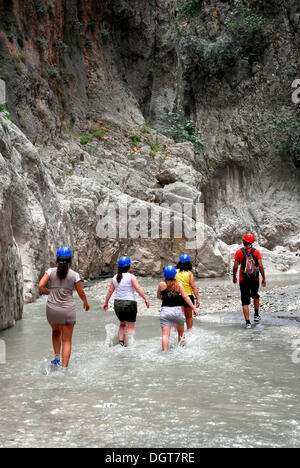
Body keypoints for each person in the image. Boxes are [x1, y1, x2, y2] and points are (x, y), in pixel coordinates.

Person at [38, 247, 90, 370]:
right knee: (67, 340)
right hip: (67, 311)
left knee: (56, 332)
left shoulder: (50, 271)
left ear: (57, 259)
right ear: (70, 261)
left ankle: (56, 359)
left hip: (52, 310)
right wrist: (86, 303)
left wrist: (48, 291)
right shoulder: (75, 275)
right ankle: (64, 368)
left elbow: (40, 285)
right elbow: (81, 293)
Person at [103, 256, 150, 346]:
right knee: (130, 327)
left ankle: (121, 342)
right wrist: (145, 299)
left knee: (122, 324)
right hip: (130, 304)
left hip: (118, 304)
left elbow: (110, 291)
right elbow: (138, 288)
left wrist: (106, 303)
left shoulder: (115, 277)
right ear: (129, 266)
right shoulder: (131, 276)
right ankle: (128, 345)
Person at [157, 266, 198, 352]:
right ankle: (181, 350)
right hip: (177, 311)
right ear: (174, 275)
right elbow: (186, 297)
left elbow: (158, 296)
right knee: (181, 333)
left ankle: (165, 352)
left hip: (165, 311)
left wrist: (164, 299)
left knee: (165, 335)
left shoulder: (161, 284)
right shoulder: (178, 284)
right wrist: (193, 307)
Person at [233, 233, 266, 329]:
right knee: (255, 295)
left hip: (243, 279)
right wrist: (263, 278)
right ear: (252, 242)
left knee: (245, 301)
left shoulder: (239, 252)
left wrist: (234, 277)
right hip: (255, 278)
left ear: (244, 241)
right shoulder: (256, 252)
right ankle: (256, 315)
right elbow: (260, 265)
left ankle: (248, 323)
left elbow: (235, 266)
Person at [176, 254, 200, 329]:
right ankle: (189, 332)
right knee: (189, 317)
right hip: (188, 297)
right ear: (189, 263)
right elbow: (193, 286)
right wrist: (198, 298)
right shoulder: (189, 273)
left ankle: (178, 334)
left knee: (178, 317)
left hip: (177, 297)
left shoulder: (174, 272)